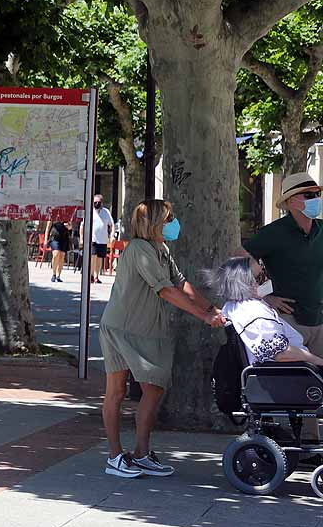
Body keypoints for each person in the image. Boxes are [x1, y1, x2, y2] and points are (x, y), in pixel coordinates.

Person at [98, 199, 225, 478]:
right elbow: (165, 290)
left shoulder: (161, 249)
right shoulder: (139, 249)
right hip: (121, 329)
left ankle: (141, 453)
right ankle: (115, 456)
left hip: (145, 330)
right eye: (169, 219)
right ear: (154, 223)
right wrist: (203, 317)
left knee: (153, 390)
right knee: (117, 391)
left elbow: (181, 283)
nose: (173, 223)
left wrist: (210, 307)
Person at [241, 172, 323, 354]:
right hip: (289, 321)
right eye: (309, 195)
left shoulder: (322, 229)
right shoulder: (273, 233)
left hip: (319, 319)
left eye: (317, 194)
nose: (316, 199)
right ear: (291, 201)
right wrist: (264, 297)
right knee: (292, 380)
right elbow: (237, 263)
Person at [207, 256, 323, 367]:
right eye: (261, 277)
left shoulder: (232, 306)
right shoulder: (254, 313)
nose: (267, 279)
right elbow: (281, 353)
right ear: (245, 284)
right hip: (290, 375)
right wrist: (318, 362)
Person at [90, 195, 114, 283]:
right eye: (94, 202)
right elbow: (83, 225)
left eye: (98, 202)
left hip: (103, 239)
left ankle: (96, 276)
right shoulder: (90, 211)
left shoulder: (106, 212)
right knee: (93, 256)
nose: (96, 204)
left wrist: (112, 235)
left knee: (99, 258)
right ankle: (91, 275)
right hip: (92, 239)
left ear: (102, 203)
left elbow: (111, 224)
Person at [44, 218, 71, 282]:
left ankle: (58, 276)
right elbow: (48, 228)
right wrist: (45, 239)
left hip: (64, 238)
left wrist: (69, 227)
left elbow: (70, 228)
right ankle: (54, 274)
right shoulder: (53, 215)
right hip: (54, 238)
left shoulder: (67, 215)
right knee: (56, 254)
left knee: (62, 256)